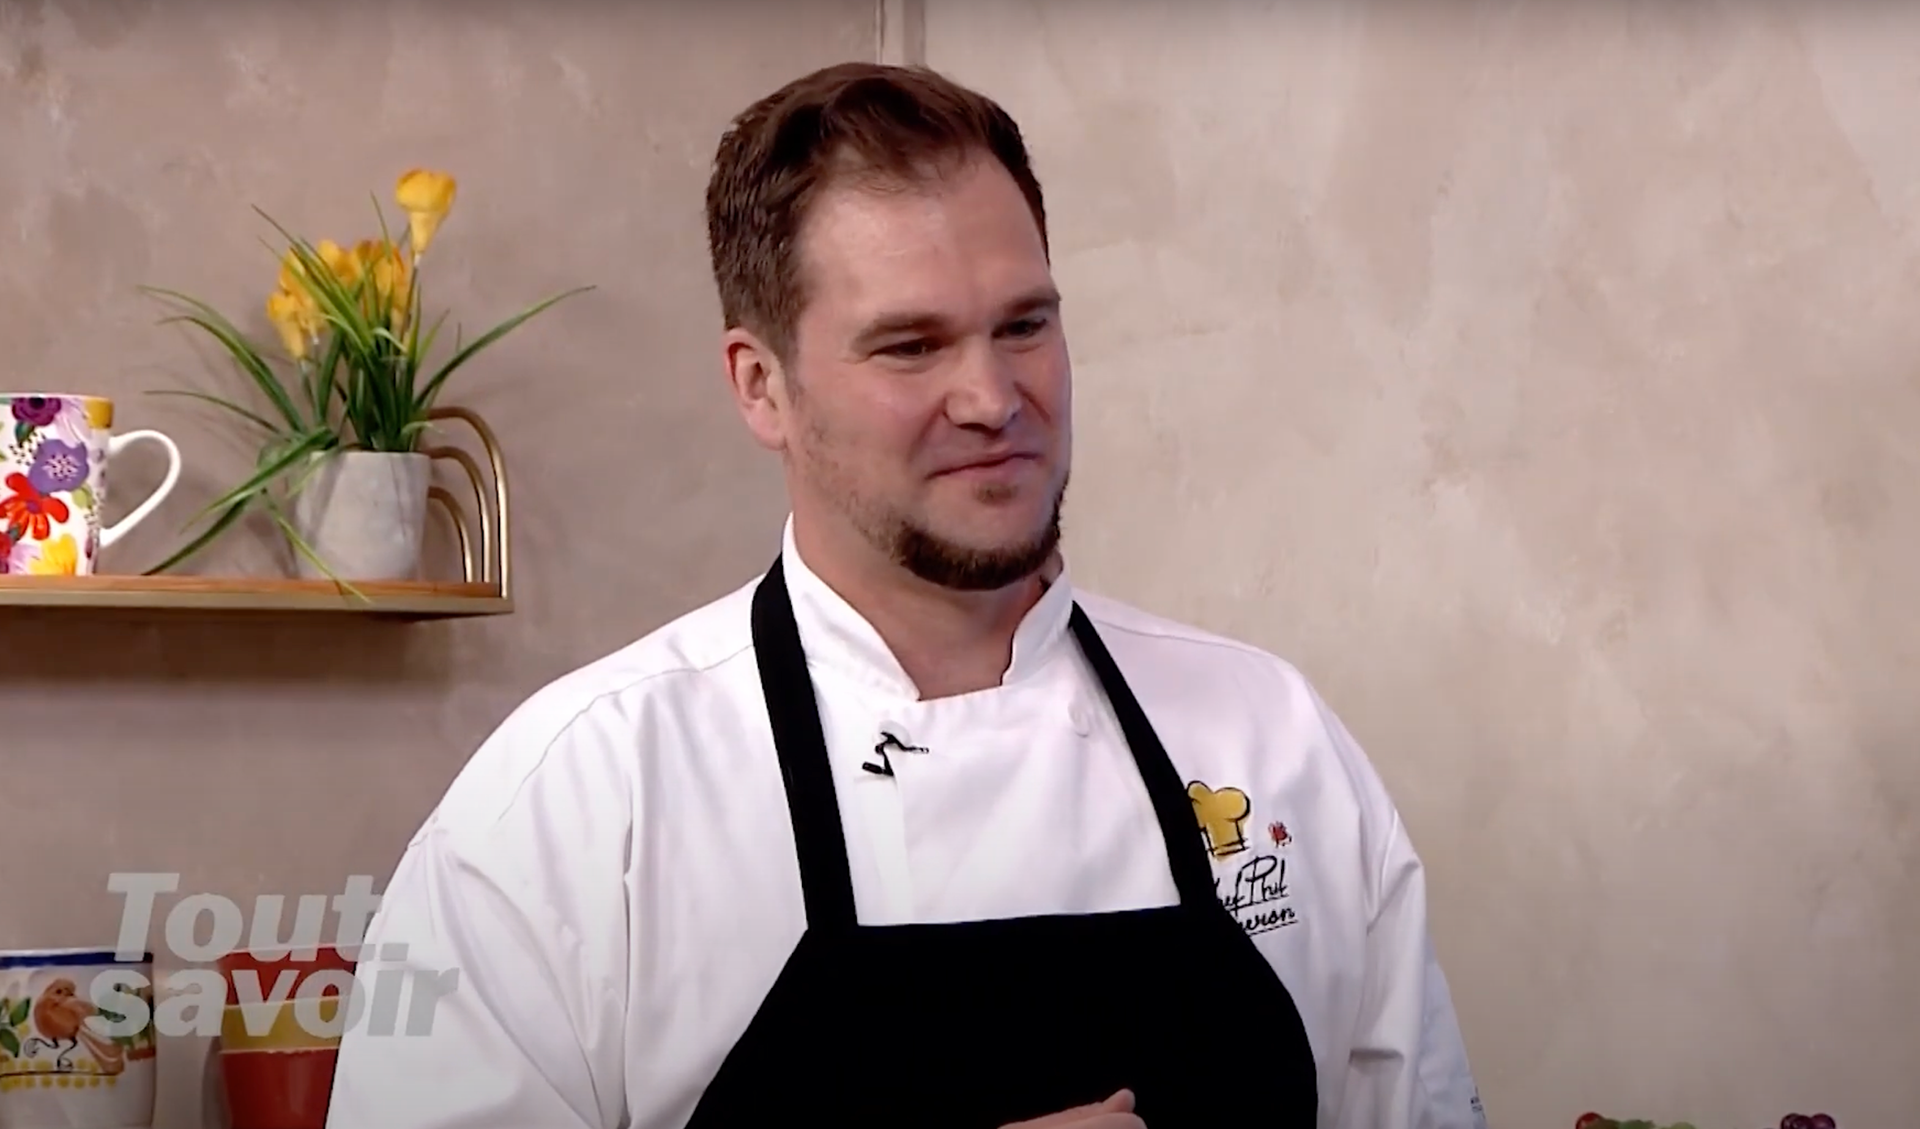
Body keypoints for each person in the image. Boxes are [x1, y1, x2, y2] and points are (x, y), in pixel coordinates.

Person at [324, 61, 1487, 1129]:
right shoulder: (572, 804)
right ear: (761, 386)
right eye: (910, 347)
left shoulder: (1274, 740)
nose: (993, 397)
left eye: (1024, 325)